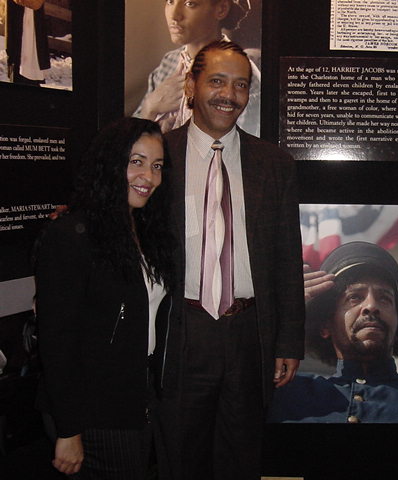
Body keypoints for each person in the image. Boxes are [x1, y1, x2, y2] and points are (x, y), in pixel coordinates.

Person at [160, 40, 304, 479]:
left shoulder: (273, 163)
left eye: (240, 85)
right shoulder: (159, 156)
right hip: (182, 331)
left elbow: (286, 257)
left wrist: (287, 342)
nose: (229, 95)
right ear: (191, 84)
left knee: (242, 458)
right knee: (181, 457)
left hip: (249, 334)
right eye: (217, 81)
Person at [34, 118, 175, 478]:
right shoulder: (71, 235)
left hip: (135, 400)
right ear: (110, 164)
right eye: (136, 162)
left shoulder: (144, 231)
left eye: (157, 166)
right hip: (92, 413)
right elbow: (56, 341)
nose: (149, 177)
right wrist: (68, 431)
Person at [269, 241, 398, 423]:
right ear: (325, 326)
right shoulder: (284, 395)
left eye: (384, 298)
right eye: (355, 297)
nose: (371, 306)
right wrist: (280, 312)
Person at [133, 0, 260, 136]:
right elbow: (126, 143)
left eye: (190, 4)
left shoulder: (245, 78)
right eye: (170, 1)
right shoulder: (168, 63)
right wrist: (150, 107)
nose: (174, 16)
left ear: (221, 10)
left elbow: (245, 150)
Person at [5, 0, 51, 86]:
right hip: (18, 15)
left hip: (32, 17)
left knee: (32, 48)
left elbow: (35, 5)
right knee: (17, 53)